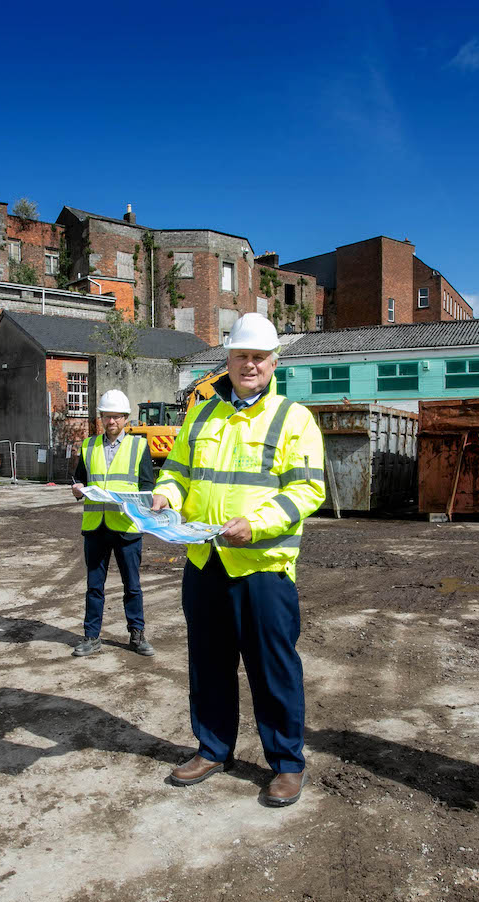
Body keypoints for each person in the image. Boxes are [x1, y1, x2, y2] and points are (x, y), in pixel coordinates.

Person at [151, 313, 326, 807]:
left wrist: (259, 523)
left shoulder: (294, 419)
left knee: (273, 669)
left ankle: (287, 764)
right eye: (240, 356)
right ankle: (212, 747)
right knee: (208, 664)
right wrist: (164, 497)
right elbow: (177, 472)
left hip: (263, 568)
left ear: (274, 362)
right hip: (206, 563)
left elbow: (307, 489)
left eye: (258, 357)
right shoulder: (201, 415)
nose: (249, 365)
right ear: (227, 359)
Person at [70, 389, 156, 658]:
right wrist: (77, 489)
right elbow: (79, 480)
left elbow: (147, 485)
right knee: (94, 586)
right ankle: (91, 636)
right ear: (101, 418)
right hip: (96, 527)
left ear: (126, 419)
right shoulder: (88, 446)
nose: (111, 422)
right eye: (107, 417)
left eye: (116, 417)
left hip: (127, 527)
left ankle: (137, 634)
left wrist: (142, 502)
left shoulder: (139, 447)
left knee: (132, 585)